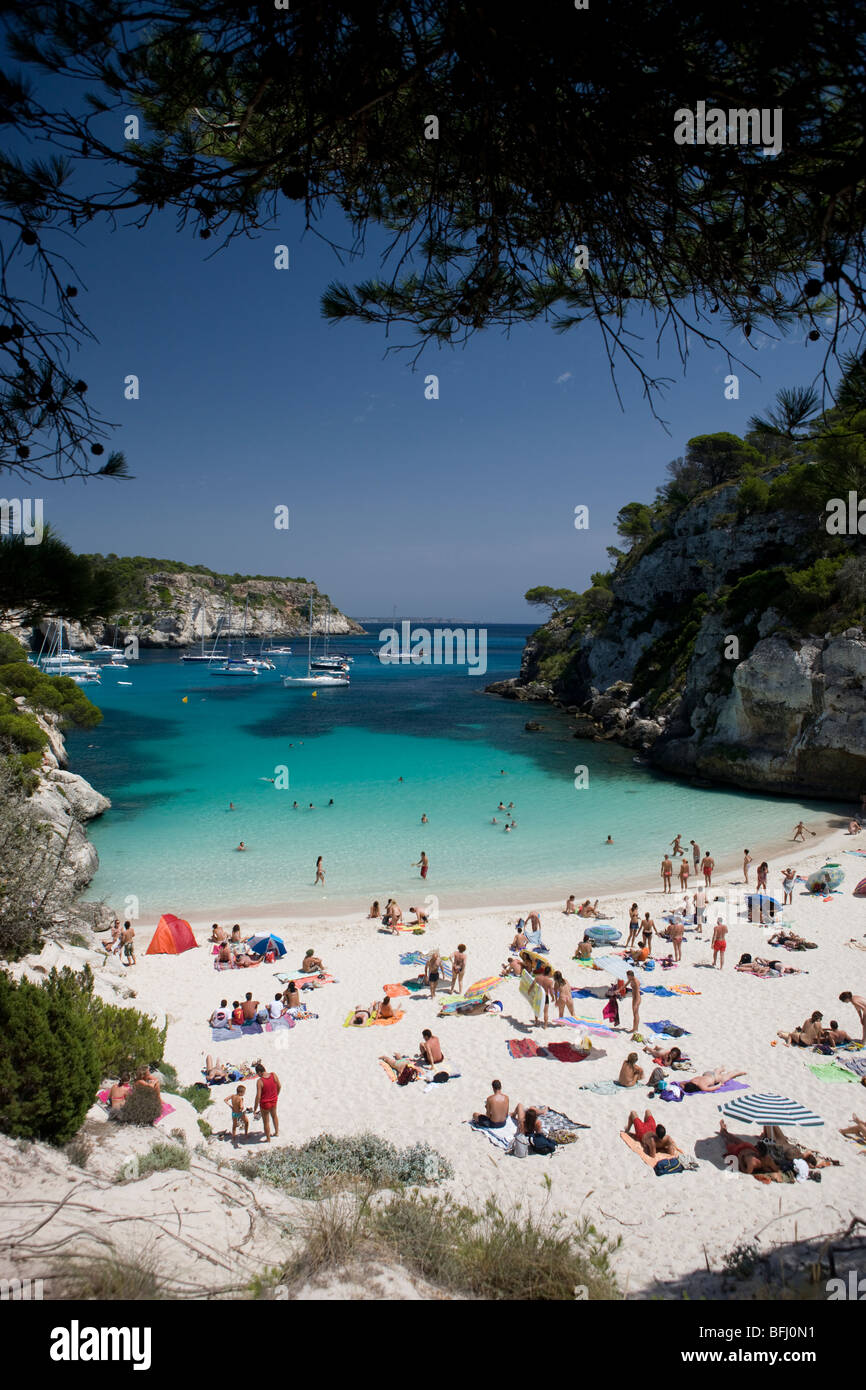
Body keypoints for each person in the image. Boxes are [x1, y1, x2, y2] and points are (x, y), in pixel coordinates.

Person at [254, 1063, 281, 1142]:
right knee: (274, 1116)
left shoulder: (260, 1081)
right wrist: (276, 1095)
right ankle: (276, 1132)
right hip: (273, 1100)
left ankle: (268, 1139)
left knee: (266, 1122)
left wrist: (255, 1107)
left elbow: (258, 1096)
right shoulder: (273, 1075)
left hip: (265, 1103)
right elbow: (279, 1086)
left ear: (259, 1072)